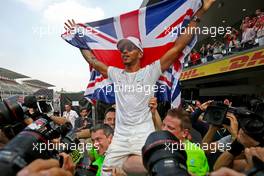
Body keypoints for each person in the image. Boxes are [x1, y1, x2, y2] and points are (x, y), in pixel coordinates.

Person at [64, 0, 215, 174]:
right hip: (120, 140)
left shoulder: (150, 72)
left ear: (140, 53)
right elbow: (92, 60)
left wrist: (201, 12)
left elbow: (178, 47)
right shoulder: (116, 74)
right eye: (122, 49)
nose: (125, 52)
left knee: (155, 170)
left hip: (144, 136)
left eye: (130, 48)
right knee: (106, 173)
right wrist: (78, 37)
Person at [161, 108, 209, 176]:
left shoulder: (196, 153)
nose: (164, 129)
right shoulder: (157, 146)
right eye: (163, 125)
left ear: (184, 133)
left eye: (170, 128)